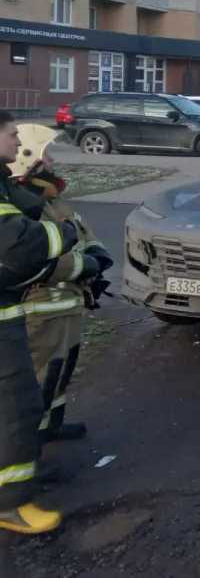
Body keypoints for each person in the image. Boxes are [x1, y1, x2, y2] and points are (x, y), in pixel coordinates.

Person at [0, 113, 80, 534]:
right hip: (18, 314)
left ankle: (21, 483)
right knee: (15, 408)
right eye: (10, 134)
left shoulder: (18, 191)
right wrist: (63, 237)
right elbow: (23, 247)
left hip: (17, 312)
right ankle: (11, 502)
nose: (15, 140)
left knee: (27, 401)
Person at [12, 125, 113, 446]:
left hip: (68, 304)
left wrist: (97, 253)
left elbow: (79, 230)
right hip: (42, 310)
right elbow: (35, 259)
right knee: (39, 377)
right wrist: (85, 266)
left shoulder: (50, 196)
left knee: (60, 372)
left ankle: (51, 427)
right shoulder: (23, 204)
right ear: (28, 159)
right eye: (46, 156)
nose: (52, 161)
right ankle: (29, 446)